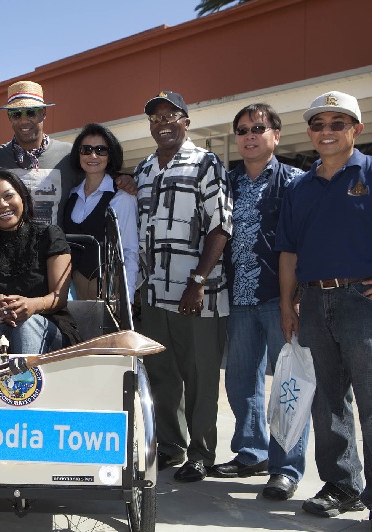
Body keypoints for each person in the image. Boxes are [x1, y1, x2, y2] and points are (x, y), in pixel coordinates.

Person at [276, 91, 372, 531]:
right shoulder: (299, 186)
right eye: (318, 124)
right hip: (311, 303)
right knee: (327, 404)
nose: (326, 131)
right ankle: (340, 486)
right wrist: (288, 304)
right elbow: (289, 252)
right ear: (310, 132)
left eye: (338, 122)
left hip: (365, 302)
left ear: (357, 129)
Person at [134, 90, 232, 483]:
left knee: (201, 376)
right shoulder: (142, 170)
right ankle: (171, 447)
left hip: (198, 294)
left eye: (171, 116)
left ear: (186, 122)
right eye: (156, 118)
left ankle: (201, 453)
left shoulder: (207, 163)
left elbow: (221, 225)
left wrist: (198, 280)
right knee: (162, 373)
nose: (163, 123)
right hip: (155, 292)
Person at [211, 104, 307, 500]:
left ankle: (286, 468)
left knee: (288, 384)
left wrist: (296, 297)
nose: (250, 135)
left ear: (276, 135)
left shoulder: (296, 182)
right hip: (237, 299)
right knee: (240, 381)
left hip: (279, 298)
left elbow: (305, 242)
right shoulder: (225, 182)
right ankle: (251, 453)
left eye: (259, 128)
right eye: (243, 130)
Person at [0, 169, 81, 354]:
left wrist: (33, 305)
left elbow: (59, 297)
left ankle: (27, 382)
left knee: (26, 324)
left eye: (8, 196)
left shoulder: (50, 235)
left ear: (22, 197)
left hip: (48, 324)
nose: (2, 205)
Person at [0, 80, 79, 226]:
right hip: (8, 247)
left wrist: (125, 180)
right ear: (9, 118)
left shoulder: (69, 154)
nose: (24, 121)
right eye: (16, 114)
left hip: (55, 247)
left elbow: (96, 185)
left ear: (43, 113)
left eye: (30, 112)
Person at [62, 123, 139, 299]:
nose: (93, 155)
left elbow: (129, 251)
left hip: (107, 288)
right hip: (72, 289)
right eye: (86, 149)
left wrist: (128, 299)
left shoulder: (122, 198)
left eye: (101, 150)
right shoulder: (71, 194)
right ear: (78, 153)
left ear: (110, 156)